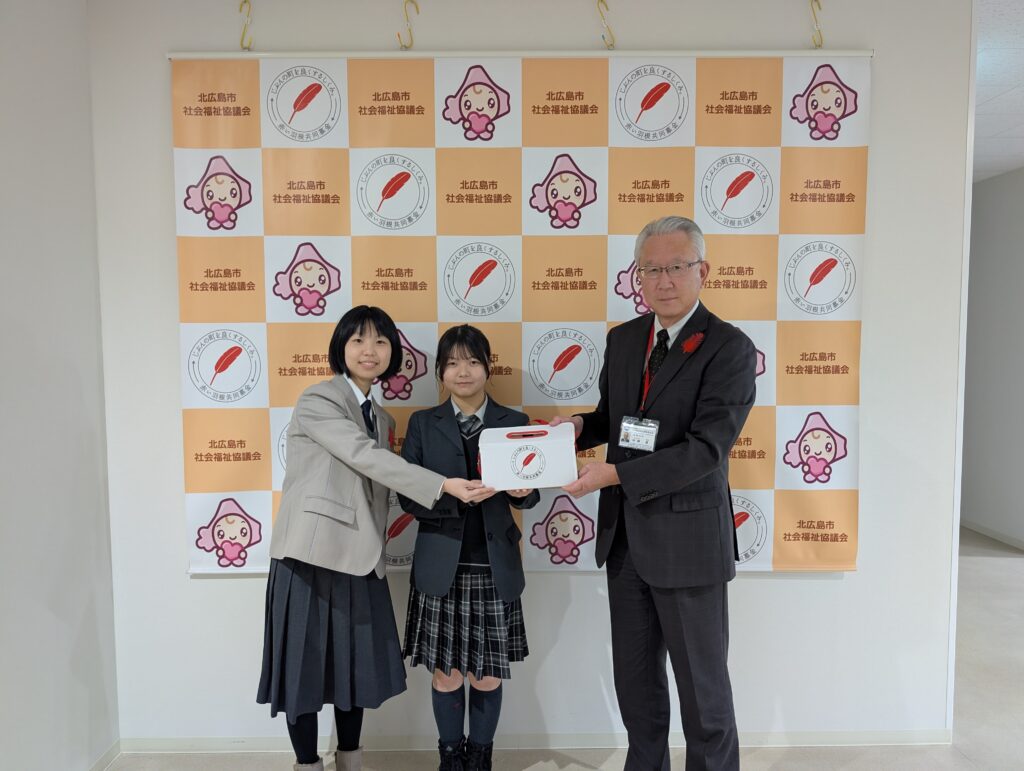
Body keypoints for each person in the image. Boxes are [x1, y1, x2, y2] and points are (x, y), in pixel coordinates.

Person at [552, 216, 756, 771]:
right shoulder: (624, 340)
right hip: (626, 543)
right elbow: (615, 419)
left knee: (703, 696)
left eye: (676, 267)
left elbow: (706, 449)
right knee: (637, 691)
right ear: (637, 275)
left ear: (702, 271)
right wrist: (576, 428)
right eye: (651, 269)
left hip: (689, 545)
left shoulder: (730, 348)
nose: (663, 280)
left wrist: (615, 476)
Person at [257, 306, 492, 771]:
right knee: (303, 672)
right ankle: (307, 764)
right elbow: (363, 456)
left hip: (362, 559)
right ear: (341, 348)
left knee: (354, 671)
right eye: (359, 340)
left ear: (392, 352)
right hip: (309, 556)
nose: (370, 351)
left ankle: (351, 762)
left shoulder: (383, 420)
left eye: (381, 341)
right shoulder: (318, 399)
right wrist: (442, 484)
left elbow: (384, 487)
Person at [399, 324, 540, 771]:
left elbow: (531, 493)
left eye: (473, 361)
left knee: (487, 675)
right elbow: (407, 497)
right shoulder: (423, 423)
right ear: (440, 372)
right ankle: (450, 757)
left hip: (495, 566)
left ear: (487, 368)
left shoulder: (514, 422)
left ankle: (480, 757)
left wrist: (521, 493)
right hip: (441, 564)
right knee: (446, 675)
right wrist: (451, 494)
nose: (463, 372)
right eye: (453, 363)